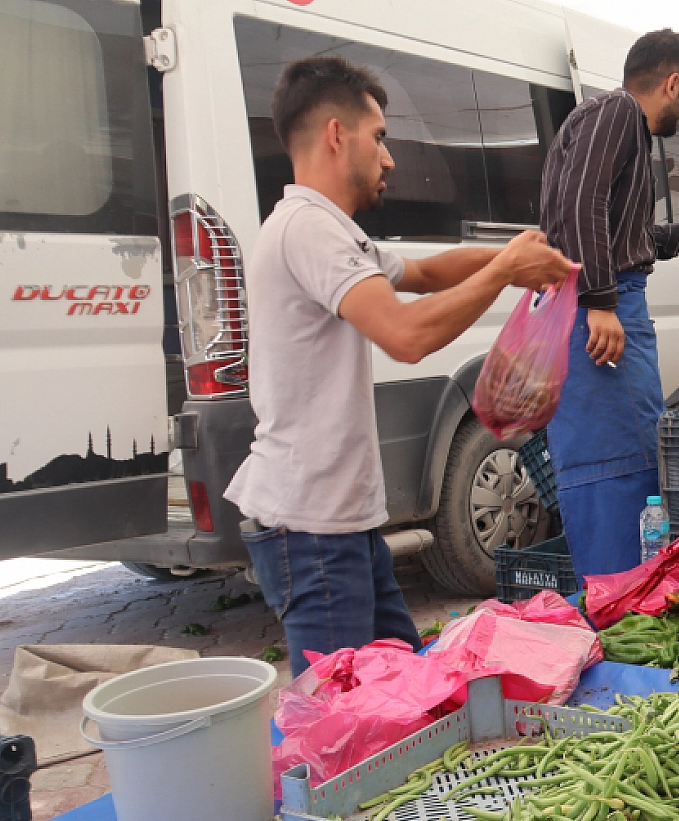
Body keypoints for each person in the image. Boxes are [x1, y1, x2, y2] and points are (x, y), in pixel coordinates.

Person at [223, 57, 575, 676]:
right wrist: (504, 274)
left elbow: (427, 274)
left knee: (405, 692)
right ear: (337, 134)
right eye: (380, 137)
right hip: (311, 533)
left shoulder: (332, 232)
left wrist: (519, 253)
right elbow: (406, 336)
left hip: (343, 527)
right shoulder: (309, 232)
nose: (389, 159)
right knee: (347, 724)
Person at [540, 30, 679, 582]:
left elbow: (616, 227)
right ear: (671, 82)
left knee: (602, 460)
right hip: (601, 303)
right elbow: (586, 204)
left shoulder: (602, 118)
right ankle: (622, 601)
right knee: (623, 461)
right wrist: (599, 300)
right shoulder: (619, 113)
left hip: (582, 300)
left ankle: (610, 594)